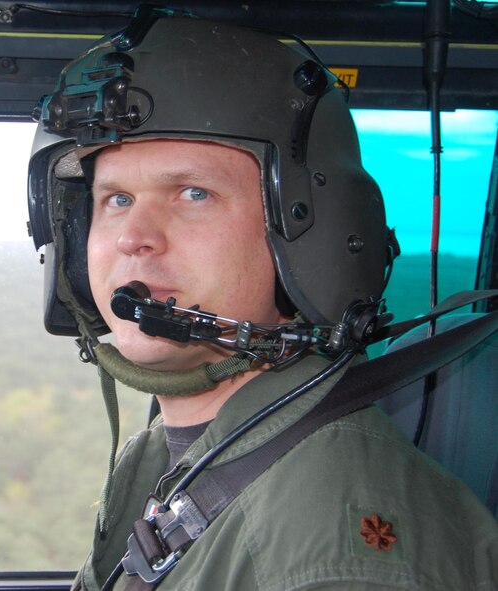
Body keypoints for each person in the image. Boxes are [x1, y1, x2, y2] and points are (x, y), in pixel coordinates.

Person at [27, 12, 498, 591]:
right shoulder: (159, 457)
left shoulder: (333, 547)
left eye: (193, 193)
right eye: (117, 199)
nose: (132, 236)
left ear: (308, 238)